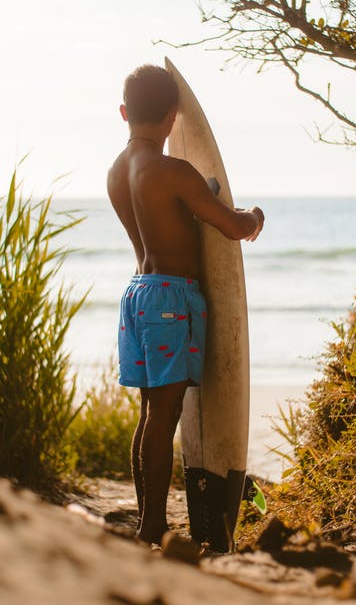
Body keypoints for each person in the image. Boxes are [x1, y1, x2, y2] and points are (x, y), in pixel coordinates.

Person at [107, 64, 265, 545]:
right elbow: (233, 227)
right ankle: (152, 524)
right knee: (166, 413)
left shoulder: (117, 170)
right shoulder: (173, 171)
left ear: (124, 113)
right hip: (171, 299)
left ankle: (145, 516)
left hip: (137, 292)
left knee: (149, 414)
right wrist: (254, 216)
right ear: (174, 116)